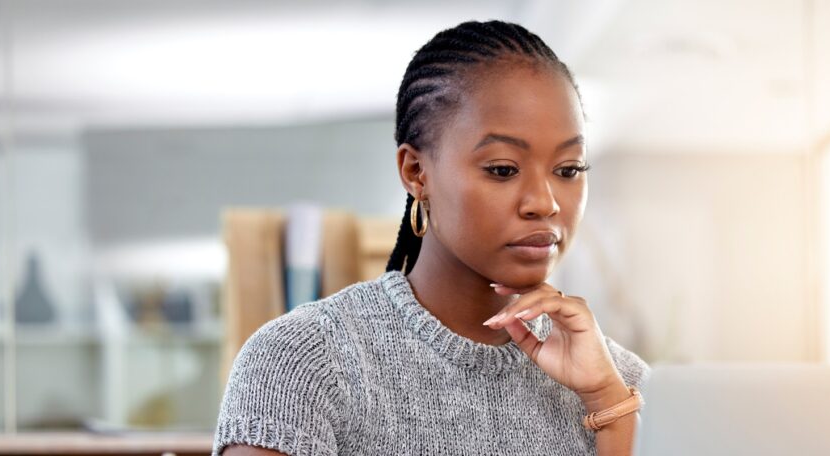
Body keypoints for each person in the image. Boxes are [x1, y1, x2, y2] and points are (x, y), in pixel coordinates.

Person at [214, 20, 649, 456]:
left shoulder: (624, 383)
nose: (545, 202)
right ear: (416, 172)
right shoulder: (303, 362)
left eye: (569, 170)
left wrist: (611, 409)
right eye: (502, 169)